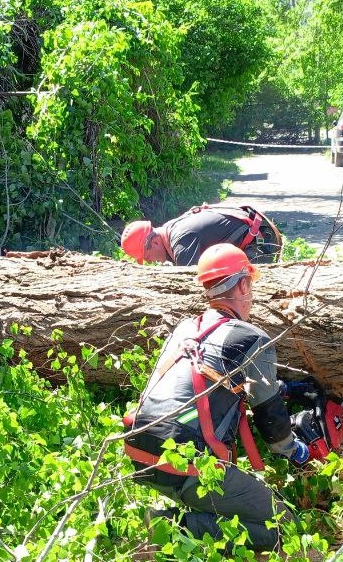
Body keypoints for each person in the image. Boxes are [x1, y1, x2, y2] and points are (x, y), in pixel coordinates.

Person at [123, 243, 307, 551]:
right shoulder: (252, 338)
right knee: (284, 529)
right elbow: (271, 423)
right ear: (244, 283)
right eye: (251, 285)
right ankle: (166, 527)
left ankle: (191, 512)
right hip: (187, 466)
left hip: (141, 452)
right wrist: (295, 451)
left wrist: (283, 389)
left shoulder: (186, 328)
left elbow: (204, 384)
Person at [120, 204, 282, 266]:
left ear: (154, 242)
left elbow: (190, 286)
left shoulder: (181, 241)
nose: (150, 261)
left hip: (262, 242)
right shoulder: (168, 229)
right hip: (257, 230)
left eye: (147, 257)